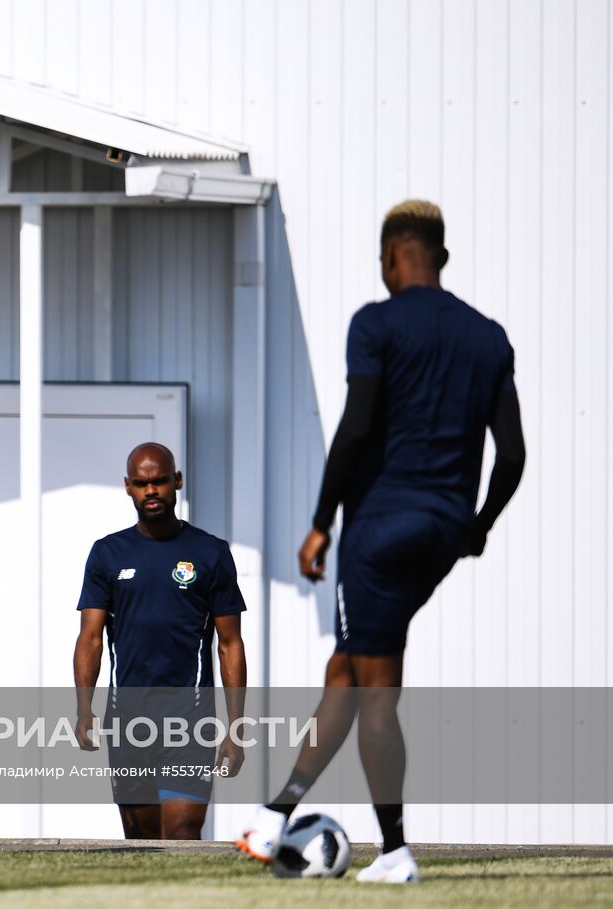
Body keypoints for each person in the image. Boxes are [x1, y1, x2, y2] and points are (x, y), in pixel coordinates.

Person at [236, 200, 526, 883]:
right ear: (441, 256)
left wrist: (321, 520)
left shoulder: (376, 323)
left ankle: (395, 849)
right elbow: (512, 454)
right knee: (349, 666)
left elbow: (357, 426)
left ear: (393, 256)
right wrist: (477, 526)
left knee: (375, 688)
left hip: (378, 531)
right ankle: (276, 813)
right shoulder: (489, 337)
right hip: (443, 531)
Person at [72, 443, 247, 840]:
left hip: (191, 719)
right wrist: (85, 709)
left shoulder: (210, 552)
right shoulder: (107, 553)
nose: (151, 490)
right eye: (142, 483)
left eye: (160, 481)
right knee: (142, 842)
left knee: (183, 833)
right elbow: (90, 638)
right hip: (127, 719)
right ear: (128, 487)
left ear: (177, 482)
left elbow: (230, 644)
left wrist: (235, 727)